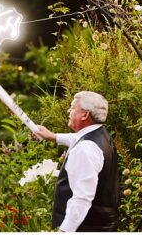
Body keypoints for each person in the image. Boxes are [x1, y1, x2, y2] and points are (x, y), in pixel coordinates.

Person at [34, 91, 118, 232]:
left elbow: (82, 197)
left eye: (72, 107)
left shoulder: (85, 149)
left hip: (86, 228)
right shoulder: (100, 135)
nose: (68, 111)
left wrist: (64, 231)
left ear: (85, 115)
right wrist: (52, 136)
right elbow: (75, 138)